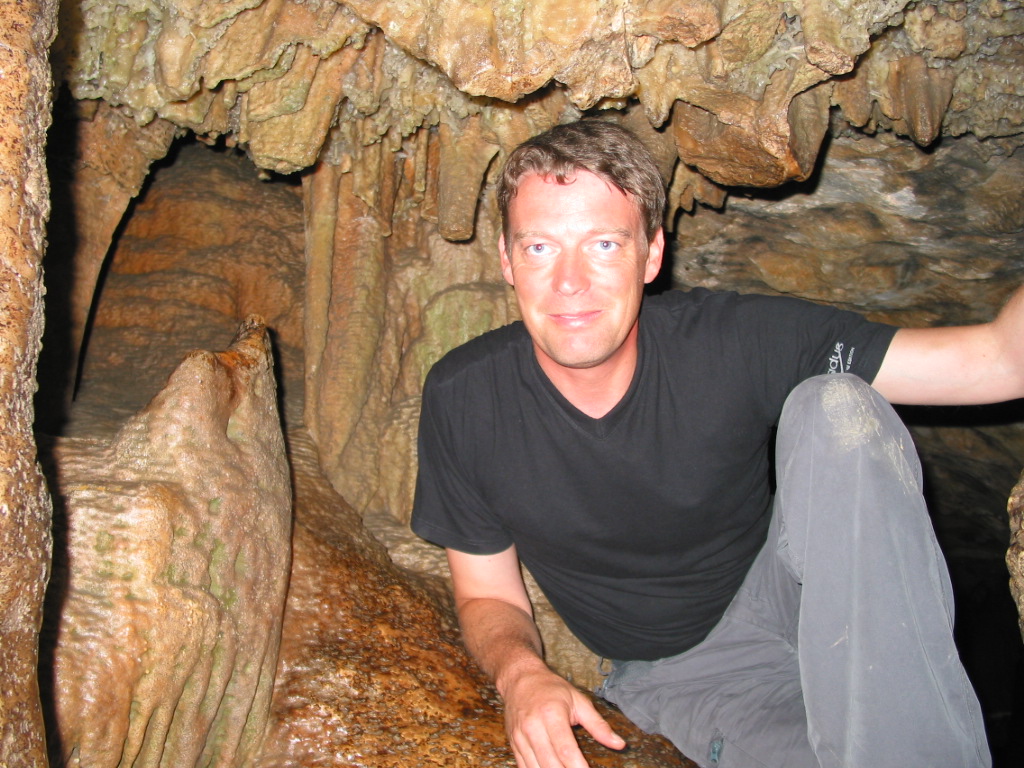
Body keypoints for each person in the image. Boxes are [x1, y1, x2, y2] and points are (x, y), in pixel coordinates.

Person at [411, 119, 1023, 768]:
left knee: (838, 405)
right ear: (507, 260)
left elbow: (998, 360)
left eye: (604, 244)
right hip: (691, 673)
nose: (570, 281)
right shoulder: (467, 401)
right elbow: (487, 595)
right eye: (539, 247)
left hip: (807, 589)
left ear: (651, 255)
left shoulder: (730, 342)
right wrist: (521, 676)